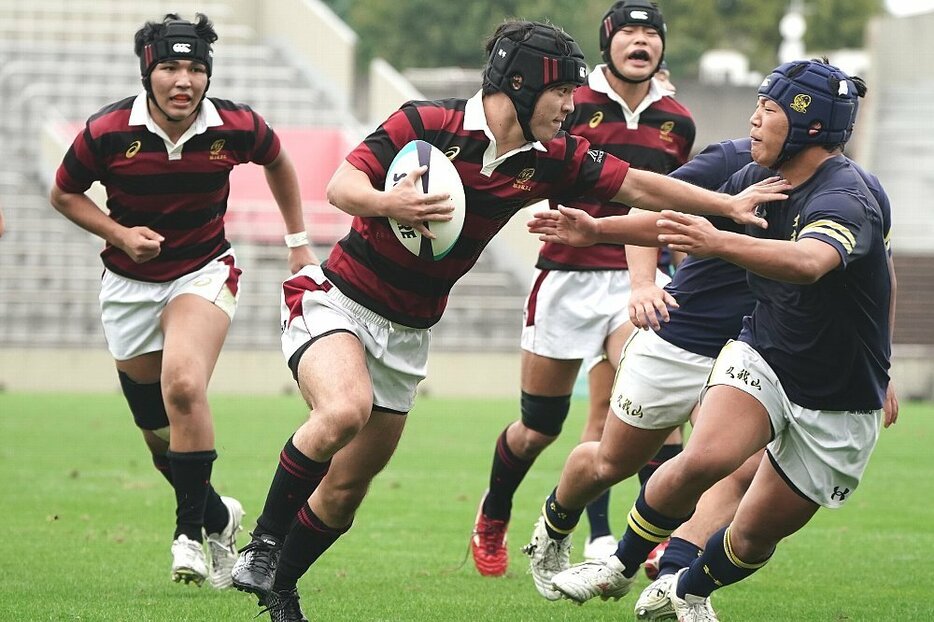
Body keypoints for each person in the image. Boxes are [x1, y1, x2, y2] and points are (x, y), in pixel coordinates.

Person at [227, 20, 787, 622]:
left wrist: (725, 204)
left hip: (409, 332)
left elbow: (639, 185)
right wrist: (390, 203)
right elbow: (342, 185)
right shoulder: (427, 123)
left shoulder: (549, 157)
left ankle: (280, 589)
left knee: (346, 490)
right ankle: (259, 545)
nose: (572, 106)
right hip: (338, 300)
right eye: (562, 94)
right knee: (343, 410)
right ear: (520, 85)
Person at [534, 59, 891, 621]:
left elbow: (808, 262)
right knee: (704, 458)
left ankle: (688, 586)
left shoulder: (846, 198)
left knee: (752, 537)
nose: (752, 121)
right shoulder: (751, 173)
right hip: (757, 353)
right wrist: (598, 229)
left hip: (837, 390)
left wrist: (883, 367)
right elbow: (667, 215)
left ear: (811, 125)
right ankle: (620, 563)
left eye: (768, 110)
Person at [50, 13, 317, 589]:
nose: (184, 80)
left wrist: (298, 243)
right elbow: (64, 193)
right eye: (170, 66)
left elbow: (278, 161)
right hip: (127, 287)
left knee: (184, 386)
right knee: (158, 441)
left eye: (195, 68)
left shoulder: (236, 125)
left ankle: (188, 538)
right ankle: (219, 518)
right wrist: (120, 236)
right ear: (148, 71)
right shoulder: (106, 132)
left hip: (203, 271)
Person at [470, 0, 695, 578]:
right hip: (567, 277)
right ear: (607, 42)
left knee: (659, 408)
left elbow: (665, 199)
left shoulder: (679, 121)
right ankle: (494, 513)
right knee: (537, 428)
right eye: (629, 33)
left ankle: (662, 544)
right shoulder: (569, 100)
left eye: (651, 33)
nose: (641, 42)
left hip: (637, 281)